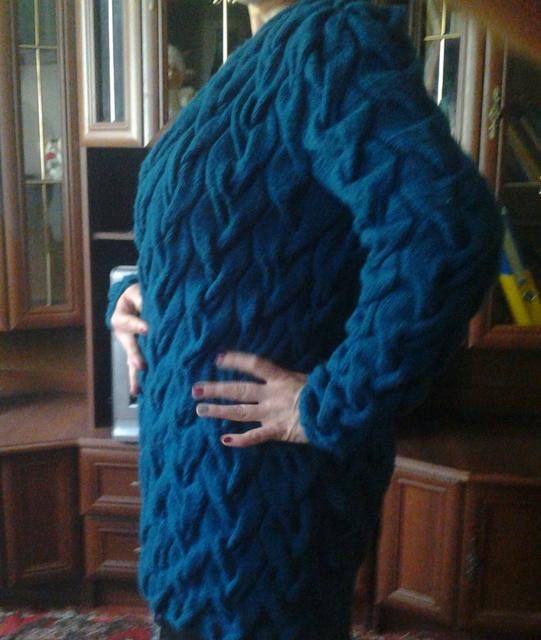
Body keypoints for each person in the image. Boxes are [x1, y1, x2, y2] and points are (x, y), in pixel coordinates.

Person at [106, 0, 502, 638]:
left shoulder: (328, 38)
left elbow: (443, 233)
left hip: (253, 504)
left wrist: (328, 401)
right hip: (195, 489)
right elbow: (236, 239)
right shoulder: (257, 60)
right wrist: (137, 293)